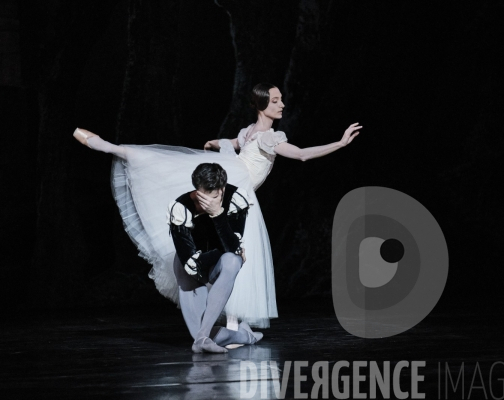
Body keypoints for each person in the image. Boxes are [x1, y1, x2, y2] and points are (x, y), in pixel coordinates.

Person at [73, 82, 361, 329]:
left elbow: (240, 143)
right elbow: (300, 155)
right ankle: (114, 149)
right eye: (275, 101)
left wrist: (216, 144)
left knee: (228, 248)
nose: (282, 104)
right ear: (262, 106)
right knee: (235, 252)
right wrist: (340, 143)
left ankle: (117, 149)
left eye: (280, 99)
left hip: (235, 185)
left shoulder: (253, 133)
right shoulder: (266, 136)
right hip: (238, 191)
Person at [168, 162, 262, 353]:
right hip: (192, 269)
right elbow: (191, 264)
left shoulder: (235, 198)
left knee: (232, 261)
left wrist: (218, 214)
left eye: (213, 197)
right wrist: (231, 249)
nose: (207, 203)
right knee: (202, 334)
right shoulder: (180, 207)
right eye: (202, 196)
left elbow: (233, 249)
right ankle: (244, 336)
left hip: (219, 265)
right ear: (196, 189)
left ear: (222, 189)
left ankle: (202, 339)